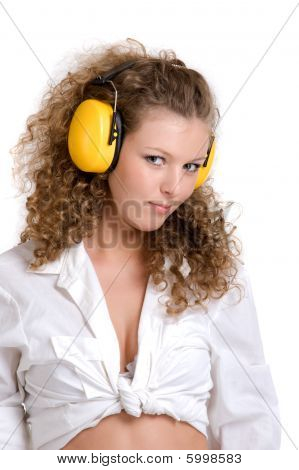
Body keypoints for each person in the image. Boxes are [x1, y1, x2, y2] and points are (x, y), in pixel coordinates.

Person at [0, 38, 281, 450]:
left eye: (190, 166)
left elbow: (249, 417)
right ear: (98, 148)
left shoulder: (212, 275)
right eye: (155, 159)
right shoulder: (16, 281)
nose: (174, 186)